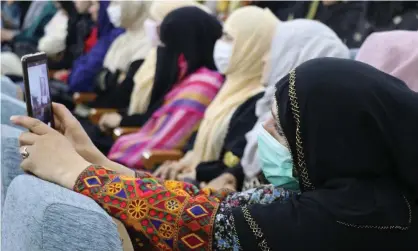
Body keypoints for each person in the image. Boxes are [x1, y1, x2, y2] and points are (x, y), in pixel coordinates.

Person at [8, 58, 418, 250]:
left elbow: (202, 223)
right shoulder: (353, 193)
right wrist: (94, 159)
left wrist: (77, 173)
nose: (266, 136)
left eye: (281, 126)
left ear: (333, 138)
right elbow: (218, 206)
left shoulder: (363, 215)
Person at [205, 18, 350, 191]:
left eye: (273, 50)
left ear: (296, 58)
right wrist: (232, 175)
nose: (264, 58)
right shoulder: (267, 106)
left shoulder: (306, 128)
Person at [154, 6, 278, 186]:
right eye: (222, 36)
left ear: (251, 46)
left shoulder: (258, 99)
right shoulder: (230, 88)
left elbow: (232, 162)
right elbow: (194, 142)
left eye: (229, 38)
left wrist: (195, 173)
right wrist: (184, 163)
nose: (220, 44)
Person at [86, 6, 224, 160]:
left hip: (146, 159)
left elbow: (161, 142)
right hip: (133, 139)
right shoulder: (187, 73)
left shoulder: (201, 85)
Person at [84, 0, 212, 128]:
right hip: (129, 125)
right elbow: (96, 80)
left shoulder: (177, 64)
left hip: (137, 131)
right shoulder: (154, 54)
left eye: (156, 19)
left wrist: (123, 120)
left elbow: (155, 113)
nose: (149, 25)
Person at [65, 0, 124, 94]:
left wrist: (70, 78)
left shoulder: (113, 37)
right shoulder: (103, 33)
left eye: (94, 5)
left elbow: (81, 78)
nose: (90, 10)